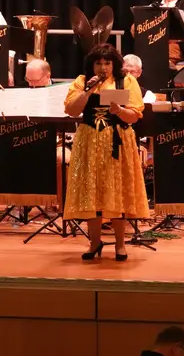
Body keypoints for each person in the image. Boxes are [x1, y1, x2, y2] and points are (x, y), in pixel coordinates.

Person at [64, 43, 149, 261]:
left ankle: (120, 244)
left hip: (116, 141)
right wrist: (87, 91)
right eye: (98, 63)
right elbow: (72, 111)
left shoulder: (126, 81)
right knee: (91, 192)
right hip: (89, 140)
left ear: (114, 64)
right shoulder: (82, 81)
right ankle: (95, 242)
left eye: (107, 63)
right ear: (91, 65)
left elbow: (135, 116)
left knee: (117, 191)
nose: (103, 68)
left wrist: (119, 110)